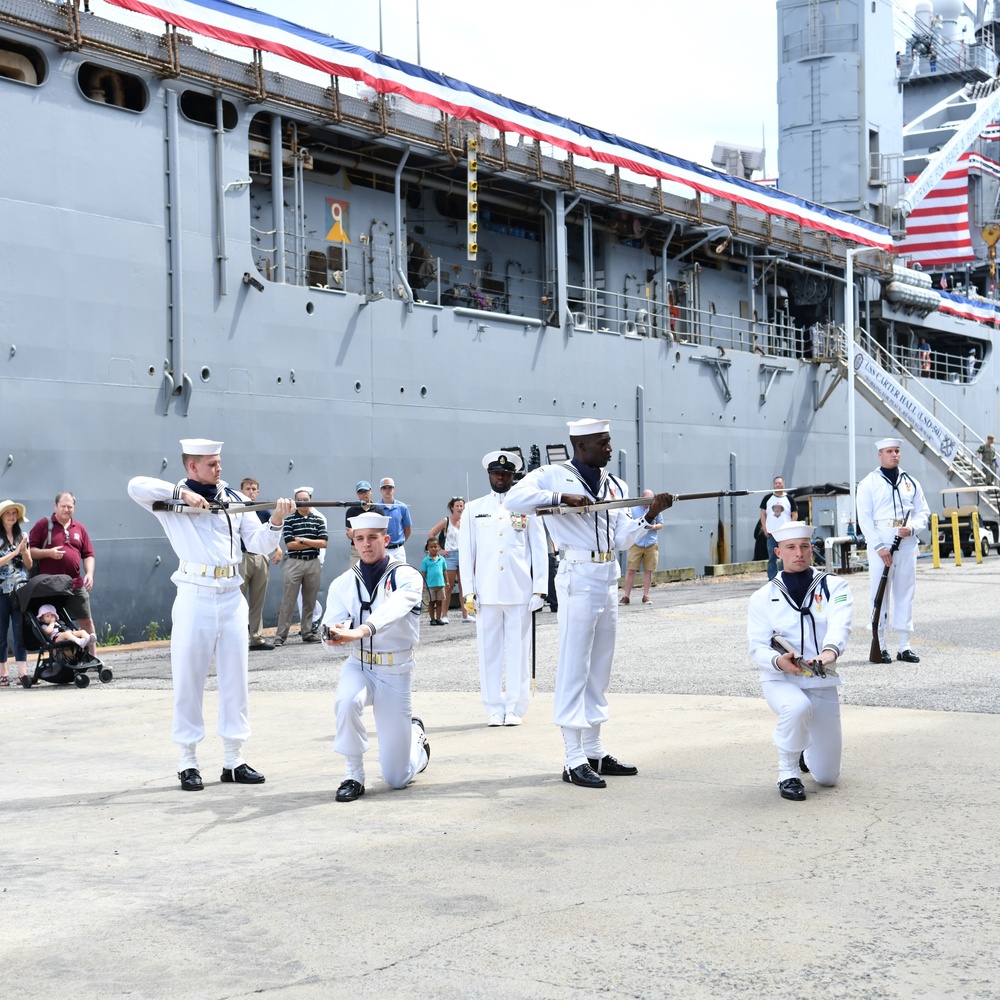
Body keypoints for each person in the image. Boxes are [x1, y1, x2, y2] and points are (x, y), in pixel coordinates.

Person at [506, 418, 673, 788]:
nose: (610, 449)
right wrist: (561, 498)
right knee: (574, 665)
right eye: (604, 443)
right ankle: (572, 757)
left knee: (600, 666)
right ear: (581, 446)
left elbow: (623, 539)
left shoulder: (616, 485)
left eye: (609, 441)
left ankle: (594, 749)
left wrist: (650, 515)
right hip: (577, 575)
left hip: (607, 575)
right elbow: (512, 499)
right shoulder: (552, 475)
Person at [128, 438, 294, 791]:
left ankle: (234, 759)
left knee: (236, 678)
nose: (219, 469)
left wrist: (277, 520)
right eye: (212, 464)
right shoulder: (171, 498)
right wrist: (182, 494)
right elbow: (134, 486)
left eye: (219, 463)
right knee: (189, 678)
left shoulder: (236, 500)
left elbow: (261, 545)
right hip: (194, 595)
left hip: (232, 595)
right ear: (192, 467)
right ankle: (187, 760)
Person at [321, 512, 430, 802]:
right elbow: (331, 638)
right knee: (346, 702)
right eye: (360, 538)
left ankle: (416, 739)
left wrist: (362, 630)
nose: (366, 544)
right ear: (353, 540)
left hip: (396, 671)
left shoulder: (407, 575)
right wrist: (332, 634)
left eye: (372, 537)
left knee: (397, 779)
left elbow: (395, 607)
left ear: (386, 539)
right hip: (359, 665)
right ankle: (353, 775)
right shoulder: (342, 583)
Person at [747, 522, 853, 802]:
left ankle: (806, 753)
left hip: (821, 679)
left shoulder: (835, 586)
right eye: (791, 548)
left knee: (828, 778)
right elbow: (757, 647)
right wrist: (779, 661)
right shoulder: (761, 598)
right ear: (778, 552)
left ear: (812, 549)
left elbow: (840, 624)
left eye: (805, 546)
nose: (799, 553)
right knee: (796, 707)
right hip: (780, 679)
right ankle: (788, 772)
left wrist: (829, 652)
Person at [460, 450, 548, 726]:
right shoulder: (474, 508)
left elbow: (539, 549)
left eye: (506, 474)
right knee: (489, 653)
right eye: (497, 474)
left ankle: (515, 708)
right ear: (489, 475)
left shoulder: (526, 508)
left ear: (513, 477)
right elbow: (466, 553)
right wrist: (468, 591)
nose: (501, 478)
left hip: (519, 591)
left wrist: (540, 590)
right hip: (486, 593)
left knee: (519, 652)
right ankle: (493, 708)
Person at [855, 437, 930, 663]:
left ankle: (904, 645)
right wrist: (879, 547)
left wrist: (913, 528)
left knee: (905, 592)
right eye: (889, 451)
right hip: (881, 543)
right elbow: (864, 519)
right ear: (880, 455)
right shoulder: (868, 482)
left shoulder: (911, 482)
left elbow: (923, 512)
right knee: (879, 595)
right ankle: (881, 644)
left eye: (896, 451)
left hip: (906, 543)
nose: (894, 454)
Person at [28, 492, 96, 653]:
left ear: (74, 507)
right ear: (55, 506)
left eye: (70, 507)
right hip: (49, 586)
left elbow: (88, 555)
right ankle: (56, 660)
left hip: (75, 584)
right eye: (63, 506)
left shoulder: (79, 528)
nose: (66, 509)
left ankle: (93, 657)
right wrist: (48, 553)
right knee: (51, 622)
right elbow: (30, 551)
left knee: (86, 620)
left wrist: (89, 573)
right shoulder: (43, 525)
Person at [274, 488, 327, 646]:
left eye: (306, 499)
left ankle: (307, 632)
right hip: (294, 563)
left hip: (313, 562)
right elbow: (290, 545)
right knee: (288, 601)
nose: (303, 502)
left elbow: (323, 543)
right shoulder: (289, 520)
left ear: (310, 500)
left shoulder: (318, 520)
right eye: (300, 500)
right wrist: (312, 541)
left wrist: (302, 539)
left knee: (309, 600)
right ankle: (280, 636)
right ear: (295, 501)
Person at [239, 477, 280, 651]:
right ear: (241, 491)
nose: (250, 491)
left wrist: (277, 548)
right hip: (242, 557)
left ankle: (256, 637)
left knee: (258, 599)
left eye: (254, 489)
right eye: (247, 489)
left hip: (260, 556)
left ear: (258, 491)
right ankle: (238, 637)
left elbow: (268, 530)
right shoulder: (237, 510)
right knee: (237, 599)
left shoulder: (262, 511)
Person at [0, 499, 33, 686]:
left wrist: (25, 551)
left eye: (14, 513)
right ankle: (3, 673)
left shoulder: (22, 536)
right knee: (1, 633)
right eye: (8, 513)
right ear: (2, 517)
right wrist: (14, 553)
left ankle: (22, 673)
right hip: (1, 591)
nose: (12, 516)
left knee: (20, 631)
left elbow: (28, 565)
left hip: (20, 590)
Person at [428, 496, 472, 623]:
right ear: (452, 507)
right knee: (449, 586)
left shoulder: (466, 520)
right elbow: (431, 533)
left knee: (465, 586)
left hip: (463, 554)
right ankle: (444, 615)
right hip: (450, 556)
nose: (459, 508)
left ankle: (466, 615)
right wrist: (440, 550)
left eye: (461, 506)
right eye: (457, 506)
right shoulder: (446, 521)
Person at [620, 489, 663, 604]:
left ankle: (646, 595)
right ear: (641, 497)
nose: (649, 502)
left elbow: (661, 524)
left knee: (648, 571)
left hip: (651, 543)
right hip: (636, 543)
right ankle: (626, 596)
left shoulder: (656, 509)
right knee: (630, 570)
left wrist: (654, 527)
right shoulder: (633, 509)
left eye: (651, 500)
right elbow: (628, 525)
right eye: (647, 499)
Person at [759, 476, 798, 581]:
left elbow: (794, 514)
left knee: (784, 556)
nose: (778, 485)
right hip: (772, 533)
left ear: (783, 484)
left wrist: (791, 527)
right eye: (776, 483)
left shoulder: (789, 499)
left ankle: (784, 576)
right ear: (773, 485)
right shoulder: (767, 499)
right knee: (772, 557)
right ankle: (772, 578)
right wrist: (765, 528)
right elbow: (763, 514)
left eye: (780, 483)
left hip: (785, 534)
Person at [345, 481, 385, 567]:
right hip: (357, 550)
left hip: (375, 548)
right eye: (361, 492)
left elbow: (383, 532)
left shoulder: (378, 510)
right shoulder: (351, 511)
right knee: (355, 576)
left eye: (366, 491)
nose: (364, 494)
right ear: (357, 493)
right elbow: (349, 534)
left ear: (371, 491)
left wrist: (356, 533)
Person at [378, 477, 412, 562]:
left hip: (398, 550)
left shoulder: (402, 507)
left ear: (394, 489)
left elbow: (407, 528)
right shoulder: (376, 508)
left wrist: (400, 541)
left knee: (400, 573)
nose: (387, 490)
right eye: (384, 488)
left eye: (390, 488)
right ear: (380, 490)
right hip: (382, 549)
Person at [421, 537, 447, 625]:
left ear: (438, 547)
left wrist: (446, 582)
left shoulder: (442, 559)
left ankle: (438, 618)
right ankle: (432, 619)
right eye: (431, 547)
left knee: (439, 602)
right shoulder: (425, 561)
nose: (433, 548)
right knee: (431, 603)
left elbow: (444, 571)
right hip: (430, 586)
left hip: (440, 584)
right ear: (428, 548)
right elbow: (424, 573)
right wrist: (423, 584)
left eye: (435, 546)